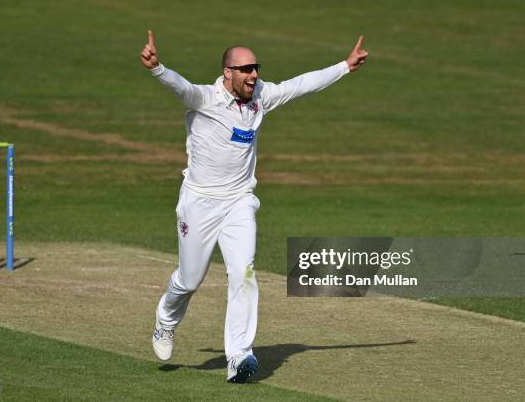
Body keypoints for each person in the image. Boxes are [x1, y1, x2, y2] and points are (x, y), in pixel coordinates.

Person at [140, 30, 368, 383]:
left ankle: (239, 355)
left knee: (244, 272)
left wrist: (344, 66)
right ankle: (166, 323)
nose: (254, 75)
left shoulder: (261, 97)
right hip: (199, 202)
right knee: (189, 280)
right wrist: (158, 69)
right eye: (245, 69)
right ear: (227, 72)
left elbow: (300, 84)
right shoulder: (205, 99)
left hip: (239, 202)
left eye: (256, 68)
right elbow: (181, 88)